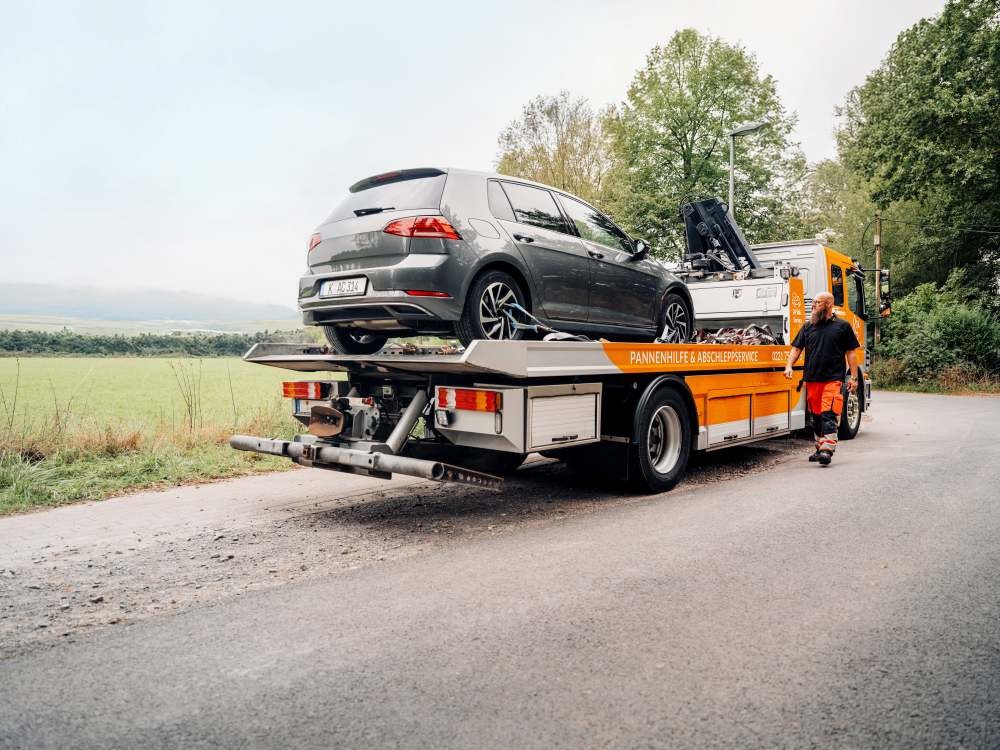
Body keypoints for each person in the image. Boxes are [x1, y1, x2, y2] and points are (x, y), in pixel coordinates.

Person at [783, 291, 860, 466]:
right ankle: (819, 447)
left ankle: (827, 448)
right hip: (812, 379)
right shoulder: (808, 327)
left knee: (828, 413)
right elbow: (796, 349)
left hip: (833, 379)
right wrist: (789, 366)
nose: (813, 305)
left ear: (828, 305)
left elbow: (851, 353)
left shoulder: (842, 326)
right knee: (816, 417)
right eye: (814, 302)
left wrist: (853, 377)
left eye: (818, 302)